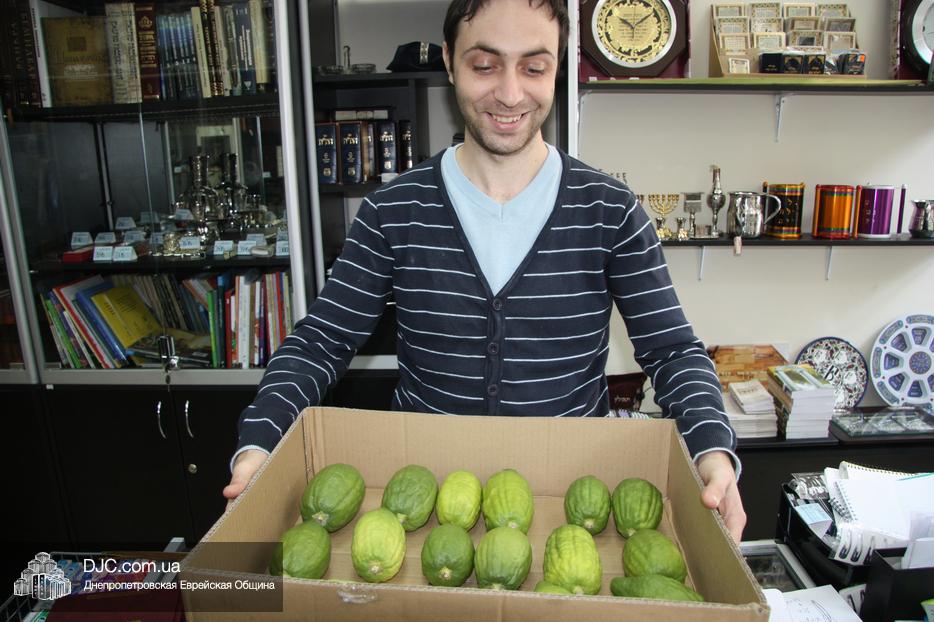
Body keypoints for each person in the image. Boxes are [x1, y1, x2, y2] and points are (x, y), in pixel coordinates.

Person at [224, 0, 747, 542]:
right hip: (423, 507)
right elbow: (320, 343)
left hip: (569, 507)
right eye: (484, 65)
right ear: (449, 62)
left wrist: (713, 453)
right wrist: (260, 443)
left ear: (558, 67)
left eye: (534, 67)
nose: (510, 94)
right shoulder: (392, 210)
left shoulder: (610, 211)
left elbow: (672, 350)